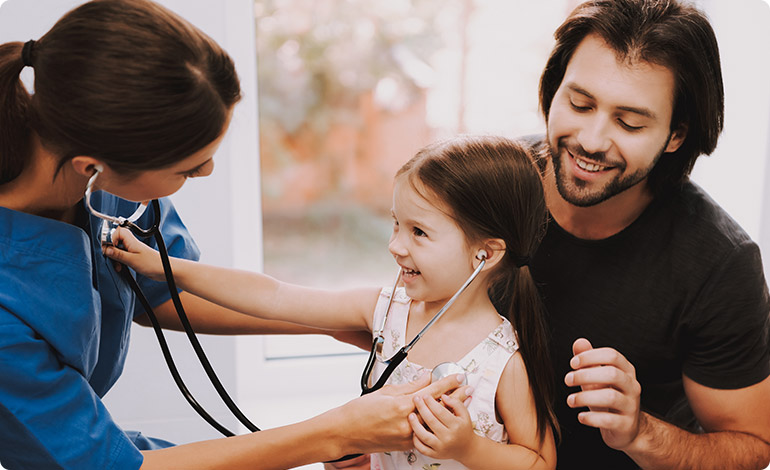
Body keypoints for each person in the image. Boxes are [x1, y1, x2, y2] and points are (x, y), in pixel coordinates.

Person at [0, 1, 472, 469]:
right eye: (187, 169)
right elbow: (105, 465)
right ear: (92, 165)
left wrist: (337, 319)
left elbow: (165, 294)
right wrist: (335, 433)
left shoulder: (107, 178)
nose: (206, 171)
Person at [104, 135, 560, 470]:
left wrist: (469, 449)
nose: (395, 245)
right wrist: (168, 269)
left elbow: (539, 461)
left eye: (419, 233)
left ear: (486, 253)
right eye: (396, 224)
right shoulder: (385, 311)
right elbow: (273, 296)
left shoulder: (501, 360)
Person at [525, 0, 770, 468]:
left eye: (630, 122)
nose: (592, 139)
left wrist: (640, 432)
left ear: (676, 135)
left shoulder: (719, 262)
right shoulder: (482, 186)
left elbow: (752, 445)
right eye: (579, 103)